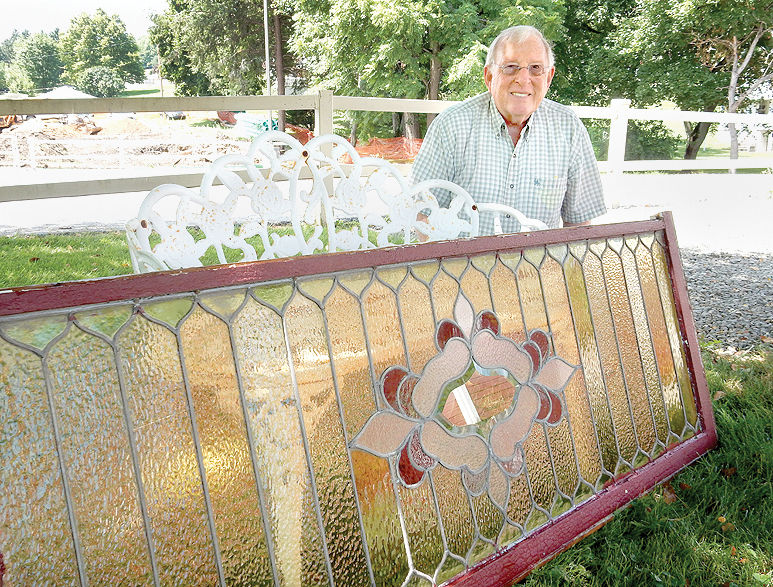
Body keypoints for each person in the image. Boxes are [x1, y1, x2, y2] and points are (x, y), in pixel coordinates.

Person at [412, 25, 606, 235]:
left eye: (535, 68)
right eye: (511, 66)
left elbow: (579, 225)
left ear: (548, 78)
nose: (523, 79)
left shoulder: (569, 128)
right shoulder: (451, 125)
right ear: (489, 77)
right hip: (463, 265)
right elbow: (422, 214)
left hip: (537, 266)